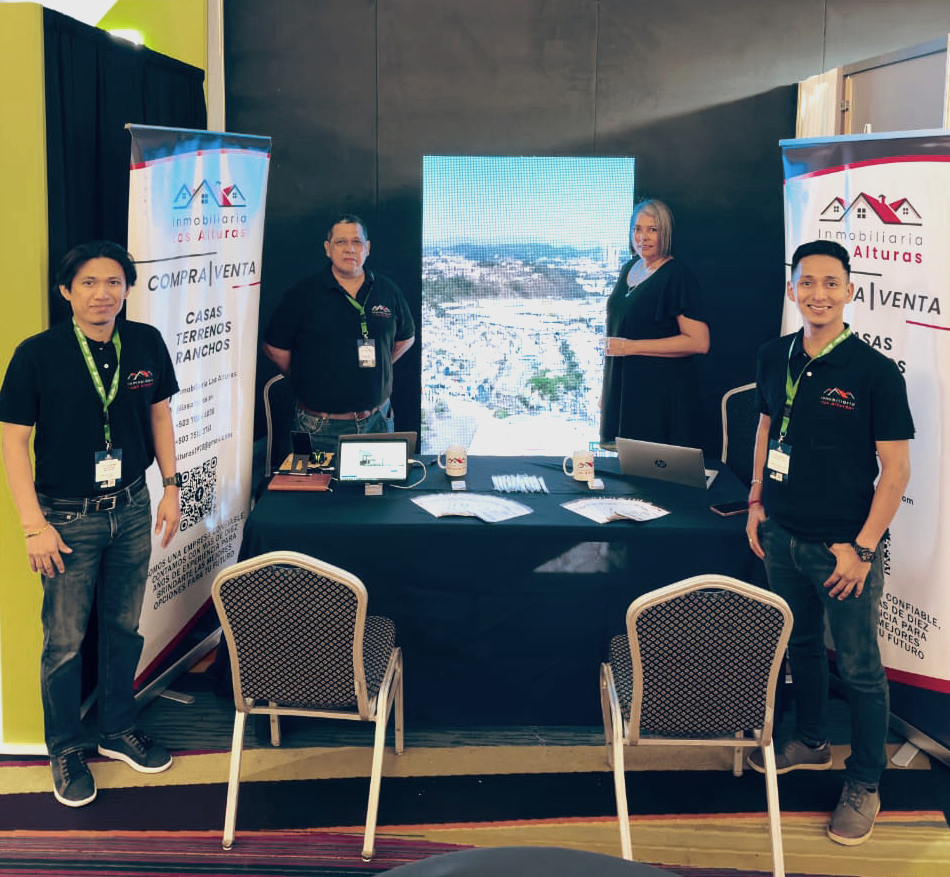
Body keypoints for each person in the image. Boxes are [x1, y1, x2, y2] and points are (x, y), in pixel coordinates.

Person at [0, 241, 181, 807]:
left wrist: (172, 487)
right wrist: (33, 526)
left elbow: (160, 415)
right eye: (89, 283)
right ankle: (65, 748)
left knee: (124, 628)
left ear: (126, 289)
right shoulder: (37, 355)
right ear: (66, 291)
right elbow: (13, 442)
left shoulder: (145, 342)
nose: (103, 293)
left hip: (132, 507)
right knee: (64, 642)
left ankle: (116, 728)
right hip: (65, 518)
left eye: (113, 282)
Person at [746, 239, 913, 846]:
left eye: (830, 283)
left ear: (849, 291)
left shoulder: (874, 372)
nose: (818, 294)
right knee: (803, 646)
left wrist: (863, 549)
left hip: (843, 549)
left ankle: (865, 781)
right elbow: (767, 425)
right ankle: (811, 741)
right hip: (781, 535)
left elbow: (896, 471)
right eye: (807, 282)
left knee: (861, 668)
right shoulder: (774, 354)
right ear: (792, 289)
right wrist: (757, 503)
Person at [263, 213, 415, 456]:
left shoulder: (388, 291)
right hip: (319, 428)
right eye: (341, 242)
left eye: (356, 242)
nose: (349, 249)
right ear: (328, 248)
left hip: (378, 422)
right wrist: (305, 373)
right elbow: (274, 348)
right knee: (316, 483)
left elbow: (406, 338)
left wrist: (380, 365)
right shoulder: (302, 295)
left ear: (367, 248)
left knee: (379, 483)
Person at [600, 198, 709, 449]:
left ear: (665, 233)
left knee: (649, 469)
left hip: (658, 395)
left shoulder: (676, 275)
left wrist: (631, 347)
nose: (643, 237)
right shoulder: (629, 268)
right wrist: (608, 391)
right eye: (637, 229)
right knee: (626, 465)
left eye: (652, 229)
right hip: (625, 390)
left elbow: (699, 342)